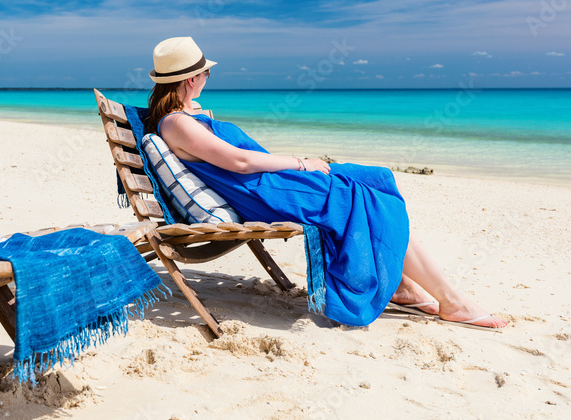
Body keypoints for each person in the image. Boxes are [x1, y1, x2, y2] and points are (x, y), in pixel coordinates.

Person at [145, 36, 507, 330]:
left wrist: (301, 166)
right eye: (205, 74)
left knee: (377, 178)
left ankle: (402, 285)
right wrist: (302, 163)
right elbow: (238, 162)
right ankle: (450, 301)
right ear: (191, 79)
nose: (207, 79)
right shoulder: (176, 123)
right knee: (368, 200)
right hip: (261, 192)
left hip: (268, 181)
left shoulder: (190, 115)